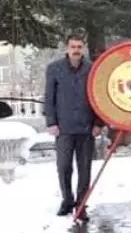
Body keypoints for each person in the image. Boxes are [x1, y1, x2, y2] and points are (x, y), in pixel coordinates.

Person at [43, 34, 103, 220]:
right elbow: (49, 97)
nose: (76, 50)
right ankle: (67, 200)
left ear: (83, 48)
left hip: (86, 128)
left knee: (84, 167)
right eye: (73, 47)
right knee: (63, 166)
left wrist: (99, 123)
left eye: (79, 46)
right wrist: (51, 122)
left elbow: (100, 97)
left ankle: (81, 203)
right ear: (67, 48)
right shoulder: (55, 69)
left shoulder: (93, 69)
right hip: (64, 128)